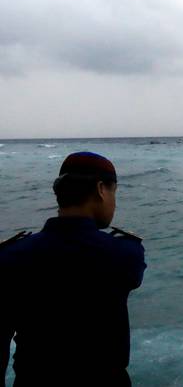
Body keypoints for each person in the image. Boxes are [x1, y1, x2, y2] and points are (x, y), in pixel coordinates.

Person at [0, 152, 146, 387]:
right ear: (101, 189)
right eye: (114, 193)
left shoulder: (9, 257)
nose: (114, 203)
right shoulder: (125, 255)